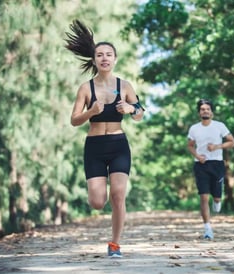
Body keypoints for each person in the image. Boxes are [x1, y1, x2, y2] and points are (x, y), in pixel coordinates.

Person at [64, 20, 144, 258]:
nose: (104, 58)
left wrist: (131, 109)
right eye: (100, 55)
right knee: (98, 202)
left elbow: (140, 113)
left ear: (115, 59)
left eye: (109, 54)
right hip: (95, 147)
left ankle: (115, 244)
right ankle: (102, 203)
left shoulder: (125, 85)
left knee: (118, 194)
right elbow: (74, 120)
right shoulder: (86, 89)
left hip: (119, 145)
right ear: (94, 60)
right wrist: (91, 112)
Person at [187, 99, 234, 240]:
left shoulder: (219, 126)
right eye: (202, 109)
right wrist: (197, 155)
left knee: (216, 196)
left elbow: (232, 142)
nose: (205, 111)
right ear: (199, 112)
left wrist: (216, 147)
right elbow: (190, 145)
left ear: (212, 112)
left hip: (217, 164)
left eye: (207, 109)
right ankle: (208, 228)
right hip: (201, 165)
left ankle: (217, 201)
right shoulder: (194, 128)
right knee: (203, 196)